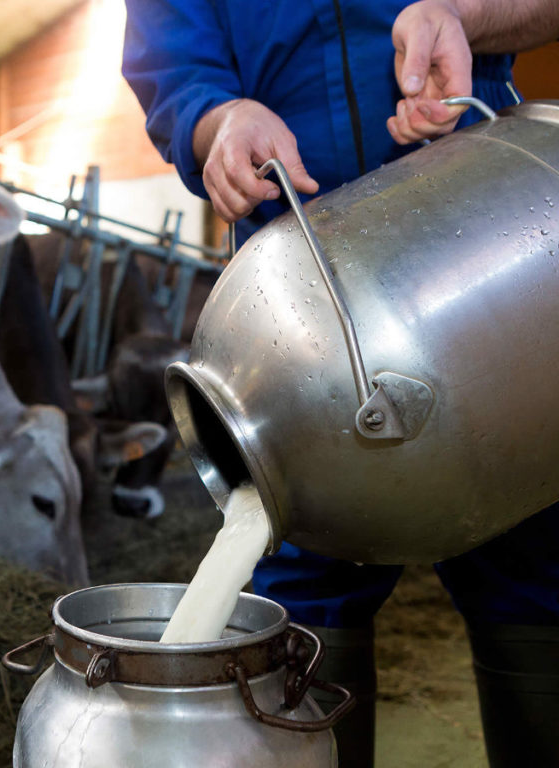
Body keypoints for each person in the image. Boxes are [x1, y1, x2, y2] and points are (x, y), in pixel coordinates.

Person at [122, 2, 559, 766]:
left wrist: (464, 17)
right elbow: (173, 66)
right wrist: (220, 121)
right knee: (300, 597)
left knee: (540, 571)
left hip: (488, 256)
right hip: (296, 316)